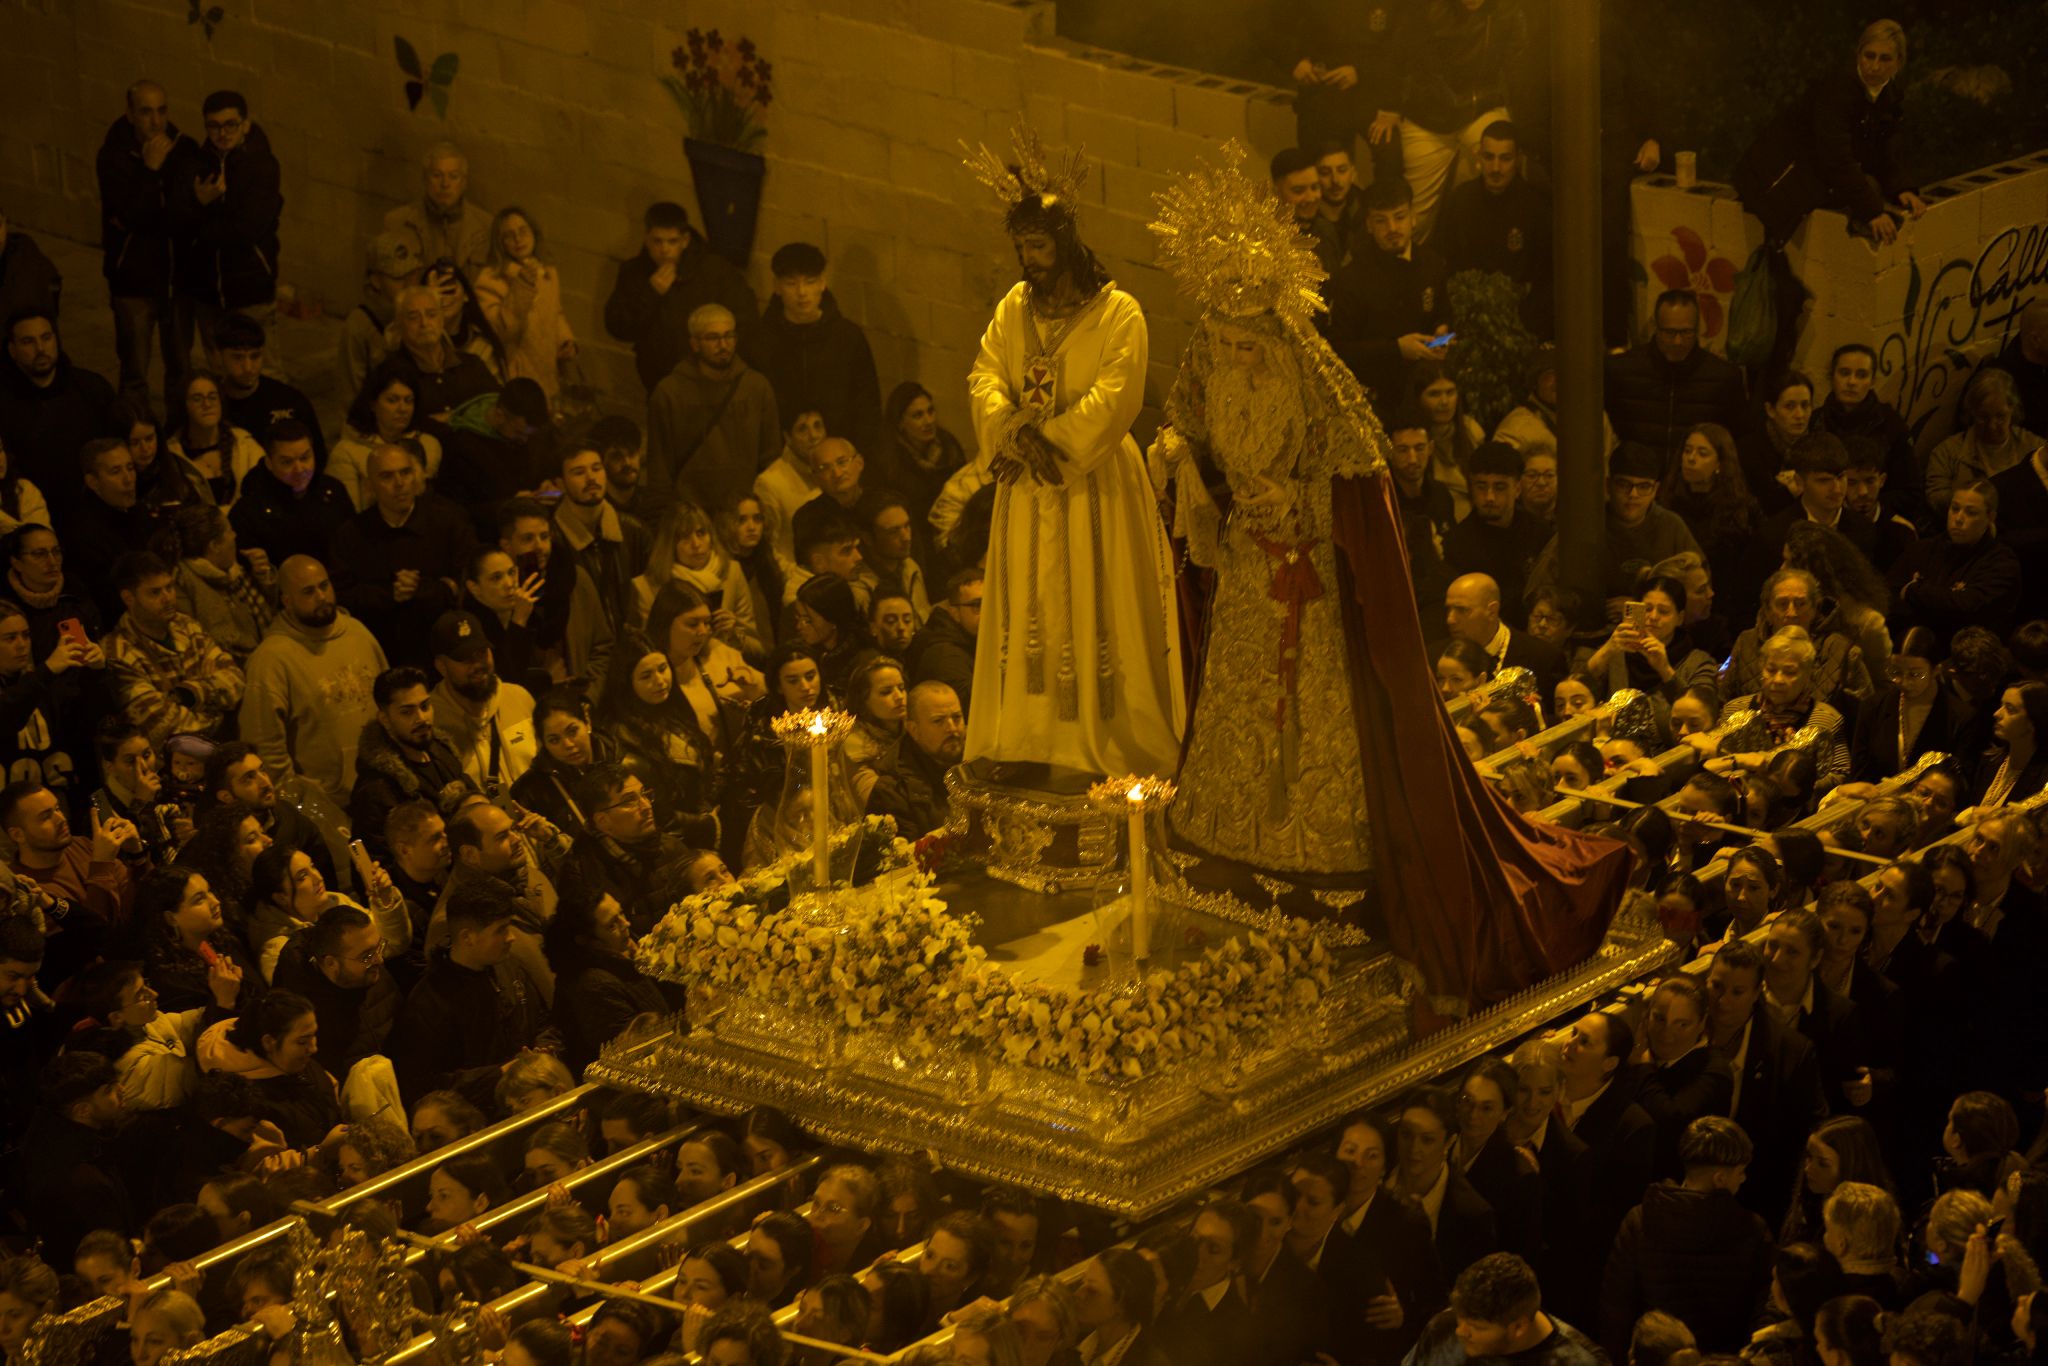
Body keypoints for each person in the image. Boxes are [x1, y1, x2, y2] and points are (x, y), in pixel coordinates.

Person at [964, 132, 1184, 782]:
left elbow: (1120, 396)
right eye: (1022, 247)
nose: (1029, 259)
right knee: (1029, 612)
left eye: (1039, 246)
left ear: (1066, 241)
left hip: (1094, 484)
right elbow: (984, 374)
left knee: (1097, 603)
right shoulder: (1013, 307)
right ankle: (1026, 738)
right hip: (1027, 489)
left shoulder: (1119, 313)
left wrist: (1048, 441)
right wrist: (1008, 430)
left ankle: (1103, 740)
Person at [1599, 1116, 1774, 1357]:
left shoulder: (1641, 1220)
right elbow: (1762, 1307)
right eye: (1741, 1171)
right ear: (1720, 1179)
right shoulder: (1752, 1230)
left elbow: (1616, 1306)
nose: (1744, 1178)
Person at [237, 555, 387, 807]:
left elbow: (389, 702)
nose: (321, 597)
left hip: (381, 788)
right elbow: (265, 745)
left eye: (324, 586)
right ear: (286, 601)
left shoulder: (357, 632)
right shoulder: (271, 659)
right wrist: (300, 802)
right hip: (328, 804)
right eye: (308, 591)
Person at [391, 877, 544, 1110]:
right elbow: (426, 1087)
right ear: (467, 937)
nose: (511, 937)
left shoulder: (507, 965)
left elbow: (541, 1019)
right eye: (500, 930)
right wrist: (498, 1075)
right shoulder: (428, 1004)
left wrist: (545, 1049)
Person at [96, 80, 199, 408]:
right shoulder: (113, 156)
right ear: (130, 114)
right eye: (146, 112)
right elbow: (132, 214)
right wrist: (150, 170)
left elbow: (181, 213)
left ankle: (181, 435)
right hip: (134, 282)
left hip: (176, 278)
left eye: (162, 111)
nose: (156, 122)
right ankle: (135, 434)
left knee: (181, 368)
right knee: (135, 372)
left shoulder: (183, 149)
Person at [328, 440, 476, 667]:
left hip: (442, 651)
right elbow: (340, 595)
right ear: (369, 485)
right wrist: (390, 594)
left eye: (405, 473)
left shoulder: (448, 522)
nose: (399, 484)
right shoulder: (352, 534)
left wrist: (423, 589)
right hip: (379, 651)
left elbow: (469, 583)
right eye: (387, 477)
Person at [174, 90, 284, 362]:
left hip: (250, 289)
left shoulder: (262, 167)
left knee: (263, 369)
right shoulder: (199, 163)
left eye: (230, 124)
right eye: (214, 126)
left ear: (245, 124)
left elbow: (247, 229)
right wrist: (200, 204)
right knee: (219, 368)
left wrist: (202, 220)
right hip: (208, 291)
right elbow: (177, 221)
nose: (222, 133)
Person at [603, 201, 758, 394]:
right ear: (646, 239)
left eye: (672, 241)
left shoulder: (713, 270)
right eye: (657, 241)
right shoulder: (635, 272)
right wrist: (651, 294)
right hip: (659, 382)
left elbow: (746, 317)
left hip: (710, 382)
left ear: (685, 241)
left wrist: (721, 362)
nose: (664, 249)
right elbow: (618, 326)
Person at [1323, 176, 1450, 405]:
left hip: (1425, 394)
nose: (1392, 228)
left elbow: (1445, 316)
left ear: (1413, 217)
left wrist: (1443, 335)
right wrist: (1396, 349)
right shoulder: (1352, 278)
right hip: (1374, 396)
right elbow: (1337, 349)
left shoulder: (1432, 264)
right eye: (1381, 221)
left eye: (1399, 217)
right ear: (1369, 226)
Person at [1528, 443, 1702, 609]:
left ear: (1655, 490)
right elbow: (1539, 589)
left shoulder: (1671, 527)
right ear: (1608, 485)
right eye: (1624, 484)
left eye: (1643, 486)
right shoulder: (1586, 526)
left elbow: (1699, 590)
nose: (1633, 494)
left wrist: (1639, 607)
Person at [751, 241, 883, 457]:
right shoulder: (761, 340)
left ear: (822, 283)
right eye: (791, 284)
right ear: (777, 287)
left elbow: (867, 405)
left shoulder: (847, 338)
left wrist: (858, 455)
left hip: (840, 458)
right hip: (780, 458)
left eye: (810, 282)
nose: (802, 292)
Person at [648, 302, 781, 514]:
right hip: (692, 510)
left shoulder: (756, 387)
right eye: (713, 338)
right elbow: (660, 464)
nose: (723, 344)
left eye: (729, 336)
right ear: (694, 343)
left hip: (744, 511)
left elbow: (771, 456)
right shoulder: (669, 393)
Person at [104, 550, 246, 745]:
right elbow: (161, 727)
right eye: (155, 592)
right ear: (129, 598)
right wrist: (216, 707)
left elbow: (236, 679)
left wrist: (190, 693)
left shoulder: (187, 626)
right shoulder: (118, 653)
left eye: (169, 587)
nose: (168, 598)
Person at [542, 885, 685, 1073]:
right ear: (586, 940)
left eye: (621, 914)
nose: (626, 924)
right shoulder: (593, 987)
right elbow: (634, 1052)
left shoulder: (628, 953)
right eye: (612, 925)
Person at [1431, 120, 1553, 334]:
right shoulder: (1460, 200)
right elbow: (1442, 263)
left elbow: (1545, 279)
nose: (1496, 168)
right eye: (1489, 157)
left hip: (1520, 323)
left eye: (1505, 159)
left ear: (1518, 159)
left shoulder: (1534, 207)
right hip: (1465, 320)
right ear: (1479, 155)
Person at [0, 310, 122, 518]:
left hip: (94, 511)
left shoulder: (92, 389)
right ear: (12, 350)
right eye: (28, 341)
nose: (40, 348)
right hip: (31, 514)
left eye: (46, 338)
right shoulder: (4, 404)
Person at [349, 666, 478, 854]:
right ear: (385, 719)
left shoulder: (443, 752)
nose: (421, 718)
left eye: (425, 706)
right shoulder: (376, 789)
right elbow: (378, 863)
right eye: (407, 712)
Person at [1603, 291, 1748, 457]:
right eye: (1669, 333)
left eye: (1686, 332)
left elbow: (1738, 440)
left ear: (1697, 330)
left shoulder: (1724, 378)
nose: (1677, 341)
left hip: (1695, 479)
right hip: (1635, 478)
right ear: (1655, 328)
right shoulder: (1621, 371)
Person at [1405, 1253, 1601, 1366]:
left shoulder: (1579, 1361)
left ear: (1518, 1327)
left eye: (1477, 1327)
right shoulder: (1443, 1329)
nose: (1460, 1331)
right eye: (1460, 1317)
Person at [1722, 569, 1872, 712]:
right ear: (1768, 610)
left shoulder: (1841, 651)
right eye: (1782, 604)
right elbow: (1723, 700)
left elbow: (1865, 714)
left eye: (1801, 604)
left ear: (1814, 608)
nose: (1792, 613)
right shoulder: (1747, 643)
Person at [1890, 481, 2022, 640]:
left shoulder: (2001, 562)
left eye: (1971, 512)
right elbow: (1888, 594)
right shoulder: (1923, 549)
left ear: (1990, 517)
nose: (1958, 518)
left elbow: (1968, 608)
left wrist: (1913, 591)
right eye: (1955, 509)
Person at [428, 609, 536, 796]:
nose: (477, 664)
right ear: (441, 666)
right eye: (465, 658)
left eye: (481, 652)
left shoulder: (519, 698)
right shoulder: (432, 723)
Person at [473, 206, 576, 401]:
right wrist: (521, 287)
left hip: (546, 368)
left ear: (534, 233)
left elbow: (556, 312)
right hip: (515, 371)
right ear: (500, 243)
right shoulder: (490, 280)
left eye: (523, 231)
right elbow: (501, 330)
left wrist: (565, 340)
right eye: (509, 236)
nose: (518, 240)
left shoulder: (547, 272)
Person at [1441, 443, 1550, 626]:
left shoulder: (1540, 533)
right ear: (1471, 488)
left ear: (1517, 488)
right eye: (1481, 486)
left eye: (1500, 487)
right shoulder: (1457, 544)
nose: (1489, 497)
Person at [1813, 344, 1918, 524]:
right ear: (1832, 376)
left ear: (1872, 381)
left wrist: (1871, 506)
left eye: (1861, 375)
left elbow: (1910, 489)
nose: (1852, 382)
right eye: (1844, 373)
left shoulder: (1890, 424)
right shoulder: (1816, 422)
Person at [231, 419, 353, 568]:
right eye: (287, 462)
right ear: (269, 463)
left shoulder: (333, 491)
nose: (299, 469)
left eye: (305, 458)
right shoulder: (249, 512)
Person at [67, 436, 163, 622]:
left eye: (130, 468)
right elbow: (109, 601)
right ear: (93, 482)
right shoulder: (85, 535)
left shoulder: (139, 512)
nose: (128, 479)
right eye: (115, 471)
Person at [167, 502, 273, 664]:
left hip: (265, 656)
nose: (235, 535)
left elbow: (271, 613)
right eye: (229, 530)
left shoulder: (236, 571)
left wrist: (263, 577)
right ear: (214, 545)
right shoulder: (183, 583)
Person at [213, 314, 324, 466]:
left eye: (255, 356)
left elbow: (317, 456)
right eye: (237, 358)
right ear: (218, 357)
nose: (248, 368)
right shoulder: (211, 403)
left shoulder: (289, 400)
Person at [434, 376, 550, 517]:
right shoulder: (461, 447)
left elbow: (545, 462)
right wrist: (508, 506)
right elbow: (458, 511)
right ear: (499, 416)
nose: (525, 441)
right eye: (519, 433)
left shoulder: (530, 430)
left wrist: (548, 484)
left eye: (531, 435)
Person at [329, 368, 444, 510]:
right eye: (392, 400)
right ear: (373, 404)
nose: (403, 408)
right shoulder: (347, 451)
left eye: (408, 401)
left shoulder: (427, 444)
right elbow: (347, 509)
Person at [1660, 424, 1759, 580]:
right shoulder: (1668, 501)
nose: (1691, 458)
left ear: (1720, 463)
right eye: (1687, 451)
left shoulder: (1741, 509)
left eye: (1702, 453)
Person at [385, 140, 493, 280]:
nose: (445, 184)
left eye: (453, 176)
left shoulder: (486, 227)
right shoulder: (397, 223)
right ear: (425, 179)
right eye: (436, 175)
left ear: (464, 183)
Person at [339, 231, 423, 403]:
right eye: (398, 278)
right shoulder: (359, 325)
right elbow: (351, 393)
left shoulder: (422, 310)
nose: (408, 284)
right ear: (376, 281)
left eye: (412, 275)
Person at [874, 381, 969, 526]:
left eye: (930, 412)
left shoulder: (949, 446)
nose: (928, 421)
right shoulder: (888, 457)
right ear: (900, 422)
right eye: (918, 415)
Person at [907, 568, 980, 720]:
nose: (987, 611)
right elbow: (974, 706)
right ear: (955, 612)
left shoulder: (973, 641)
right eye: (977, 605)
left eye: (992, 603)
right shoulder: (945, 654)